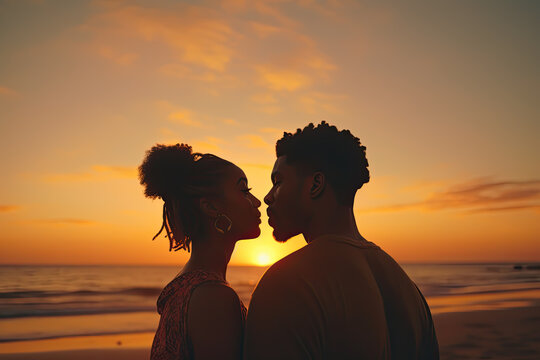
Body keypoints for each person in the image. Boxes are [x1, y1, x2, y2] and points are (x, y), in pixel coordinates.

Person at [244, 122, 439, 359]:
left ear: (315, 184)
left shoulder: (285, 284)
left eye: (278, 181)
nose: (267, 197)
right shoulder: (409, 290)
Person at [139, 143, 261, 360]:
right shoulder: (213, 297)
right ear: (211, 207)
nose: (257, 202)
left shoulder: (189, 283)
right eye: (244, 190)